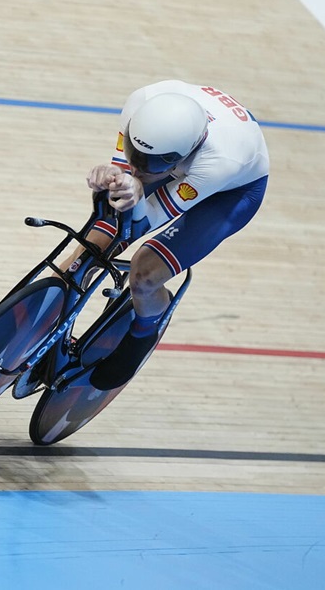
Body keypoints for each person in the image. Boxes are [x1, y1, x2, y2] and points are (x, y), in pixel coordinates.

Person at [69, 79, 270, 389]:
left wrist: (134, 192)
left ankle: (144, 333)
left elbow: (145, 220)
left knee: (145, 274)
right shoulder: (141, 102)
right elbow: (128, 175)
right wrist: (114, 177)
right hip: (179, 154)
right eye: (136, 156)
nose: (140, 170)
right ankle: (49, 312)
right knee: (95, 243)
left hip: (230, 193)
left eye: (149, 167)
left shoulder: (219, 163)